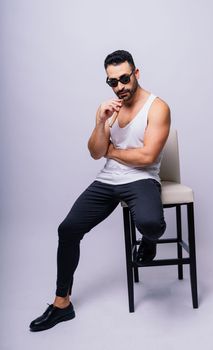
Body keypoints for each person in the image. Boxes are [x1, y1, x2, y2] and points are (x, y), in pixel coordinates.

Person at [30, 50, 171, 332]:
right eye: (112, 82)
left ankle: (149, 240)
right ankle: (61, 304)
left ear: (136, 74)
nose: (120, 86)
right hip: (108, 180)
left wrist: (113, 150)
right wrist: (100, 123)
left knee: (152, 224)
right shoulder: (107, 108)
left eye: (124, 78)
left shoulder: (158, 108)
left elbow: (147, 157)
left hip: (142, 179)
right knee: (67, 229)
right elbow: (96, 153)